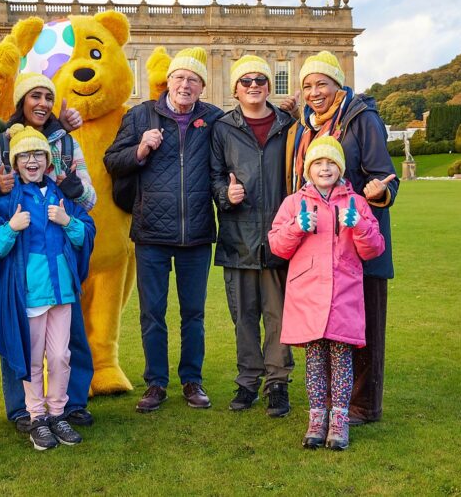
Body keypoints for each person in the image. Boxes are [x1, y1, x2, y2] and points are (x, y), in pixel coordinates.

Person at [0, 72, 96, 432]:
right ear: (21, 102)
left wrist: (73, 189)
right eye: (34, 96)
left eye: (47, 96)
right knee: (21, 337)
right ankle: (23, 410)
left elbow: (89, 201)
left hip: (59, 257)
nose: (41, 103)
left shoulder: (66, 142)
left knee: (68, 339)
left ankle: (68, 405)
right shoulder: (0, 141)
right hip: (24, 259)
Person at [104, 47, 224, 413]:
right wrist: (140, 149)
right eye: (179, 78)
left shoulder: (214, 120)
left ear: (202, 87)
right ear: (167, 82)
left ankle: (192, 380)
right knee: (152, 312)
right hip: (151, 233)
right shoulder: (140, 116)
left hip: (197, 233)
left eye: (193, 80)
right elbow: (112, 161)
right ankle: (155, 383)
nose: (185, 85)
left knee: (194, 313)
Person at [285, 51, 399, 425]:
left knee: (362, 328)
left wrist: (376, 193)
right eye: (307, 85)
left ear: (338, 85)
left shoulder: (361, 118)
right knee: (328, 329)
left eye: (321, 83)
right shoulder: (307, 126)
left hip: (360, 242)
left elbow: (386, 178)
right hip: (319, 250)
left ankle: (363, 406)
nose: (314, 92)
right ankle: (332, 406)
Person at [269, 137, 384, 450]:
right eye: (318, 163)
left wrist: (359, 224)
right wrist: (296, 226)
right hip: (308, 295)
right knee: (315, 360)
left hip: (343, 293)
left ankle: (340, 420)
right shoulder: (294, 203)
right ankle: (317, 419)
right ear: (308, 169)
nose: (324, 168)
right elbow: (278, 245)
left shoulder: (356, 203)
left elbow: (374, 248)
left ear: (340, 168)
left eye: (331, 163)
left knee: (341, 359)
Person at [210, 55, 296, 417]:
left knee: (278, 316)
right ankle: (248, 380)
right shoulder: (222, 128)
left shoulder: (288, 125)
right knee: (243, 316)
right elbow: (213, 178)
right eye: (246, 81)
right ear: (235, 89)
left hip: (280, 235)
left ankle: (277, 383)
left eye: (261, 79)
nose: (254, 85)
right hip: (238, 235)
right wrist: (224, 195)